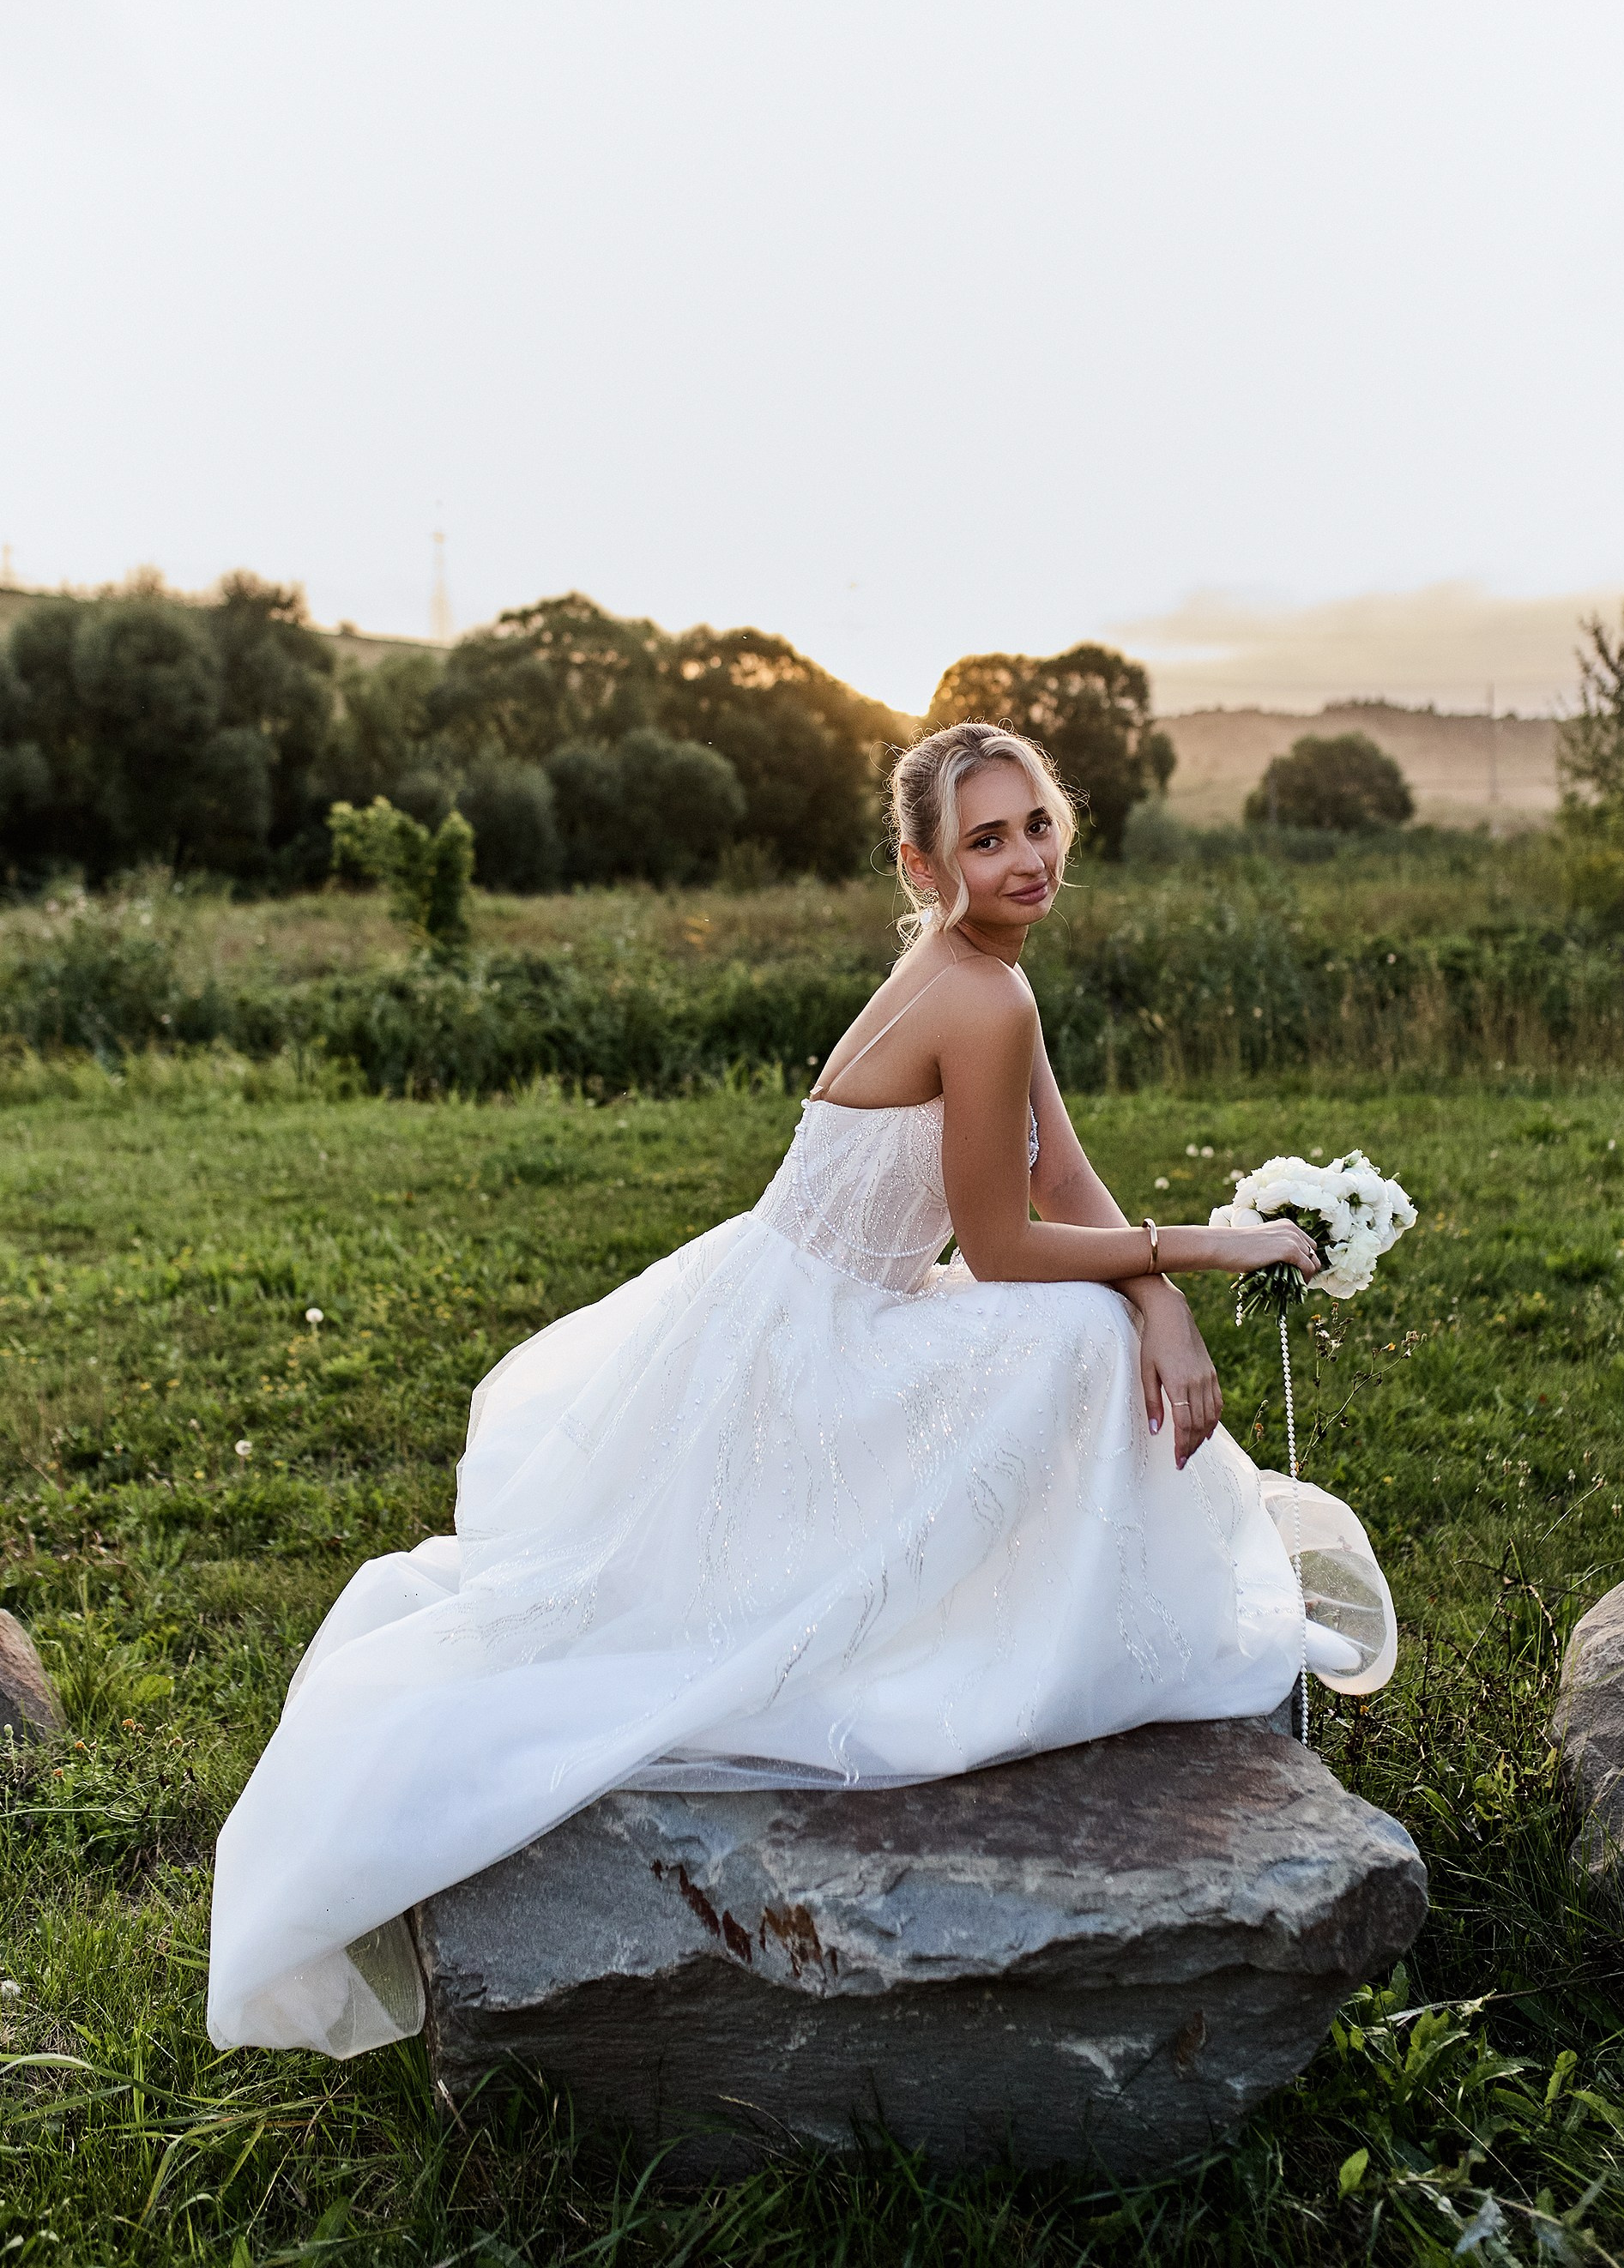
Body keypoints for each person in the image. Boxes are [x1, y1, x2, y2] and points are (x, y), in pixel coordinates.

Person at [207, 720, 1395, 2058]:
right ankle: (1026, 1648)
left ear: (1068, 826)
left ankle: (1033, 1601)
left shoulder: (980, 971)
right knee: (1069, 1339)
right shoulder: (981, 994)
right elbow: (1002, 1249)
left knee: (1097, 1323)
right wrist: (1202, 1246)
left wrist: (1161, 1301)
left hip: (798, 1310)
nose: (1022, 859)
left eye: (1037, 826)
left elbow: (1060, 1175)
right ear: (925, 861)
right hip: (816, 1342)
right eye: (985, 839)